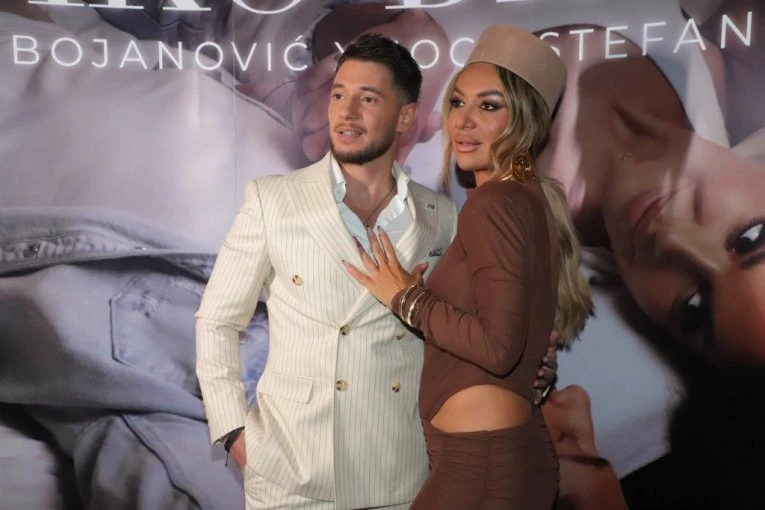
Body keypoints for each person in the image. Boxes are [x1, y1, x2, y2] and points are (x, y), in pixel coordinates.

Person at [195, 33, 558, 509]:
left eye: (367, 99)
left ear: (407, 117)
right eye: (338, 95)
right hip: (291, 474)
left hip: (400, 474)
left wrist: (531, 366)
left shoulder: (442, 217)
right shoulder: (272, 200)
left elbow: (480, 330)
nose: (346, 113)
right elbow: (217, 320)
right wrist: (234, 433)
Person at [344, 25, 592, 509]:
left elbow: (497, 348)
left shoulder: (495, 203)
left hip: (482, 467)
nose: (464, 121)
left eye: (489, 106)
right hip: (490, 461)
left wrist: (406, 298)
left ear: (526, 122)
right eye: (457, 102)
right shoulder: (524, 198)